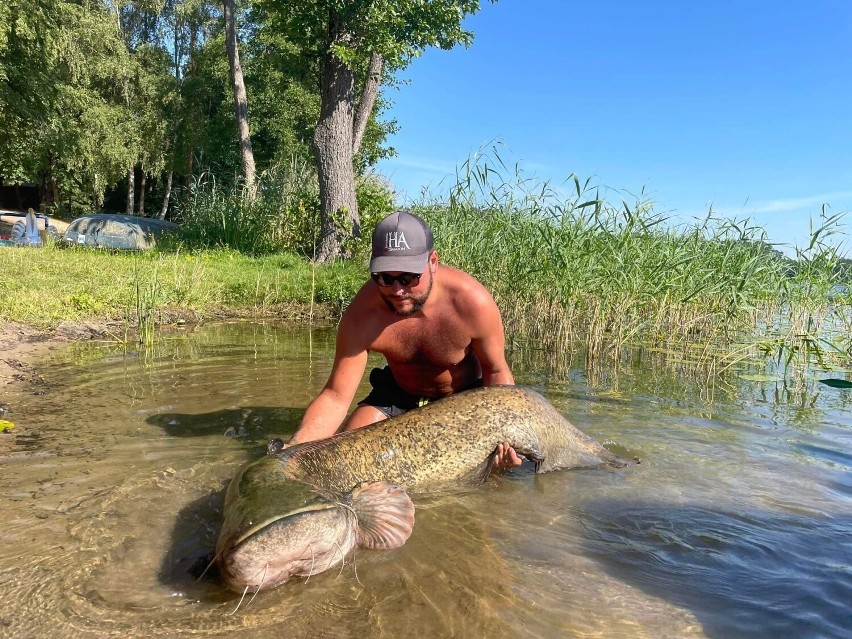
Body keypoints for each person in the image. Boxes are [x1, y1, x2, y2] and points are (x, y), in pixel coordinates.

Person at [287, 210, 521, 469]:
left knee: (494, 473)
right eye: (385, 278)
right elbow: (335, 396)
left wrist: (505, 435)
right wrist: (293, 452)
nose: (397, 290)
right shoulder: (363, 315)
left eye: (408, 278)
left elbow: (497, 371)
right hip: (398, 395)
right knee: (343, 460)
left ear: (432, 261)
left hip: (463, 401)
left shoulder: (471, 303)